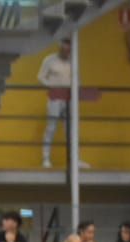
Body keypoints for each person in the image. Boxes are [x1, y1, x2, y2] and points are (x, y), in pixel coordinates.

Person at [37, 39, 74, 170]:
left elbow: (76, 78)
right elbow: (41, 77)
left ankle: (74, 159)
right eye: (63, 50)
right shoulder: (49, 60)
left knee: (70, 129)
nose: (65, 53)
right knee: (51, 127)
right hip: (54, 98)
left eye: (68, 51)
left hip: (69, 98)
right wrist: (52, 86)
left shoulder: (72, 61)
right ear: (59, 49)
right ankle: (45, 158)